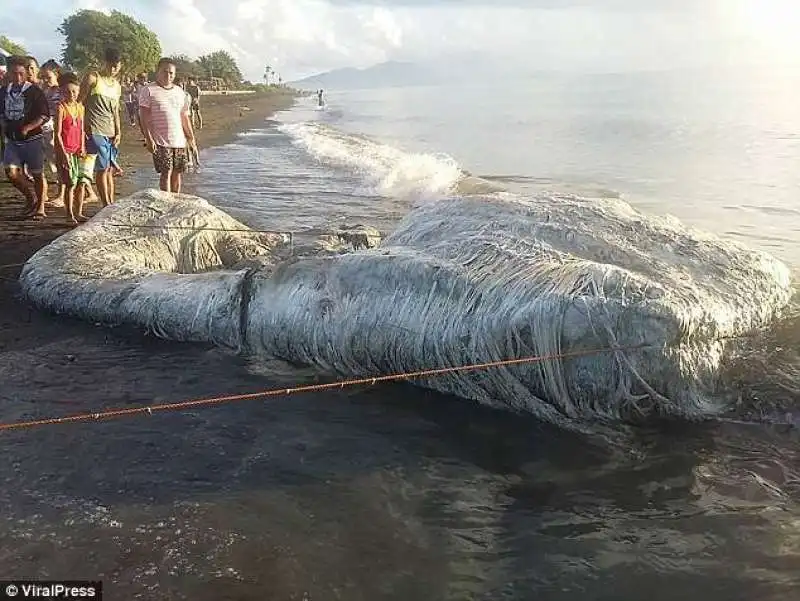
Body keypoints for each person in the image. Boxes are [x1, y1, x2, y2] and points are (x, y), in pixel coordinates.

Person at [0, 55, 50, 220]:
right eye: (14, 74)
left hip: (32, 139)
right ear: (8, 74)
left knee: (37, 174)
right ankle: (30, 198)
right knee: (11, 173)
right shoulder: (3, 92)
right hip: (12, 140)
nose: (18, 77)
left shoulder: (34, 91)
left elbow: (44, 115)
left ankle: (41, 207)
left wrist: (29, 127)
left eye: (21, 73)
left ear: (26, 73)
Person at [138, 57, 196, 193]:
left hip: (179, 140)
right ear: (157, 71)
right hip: (160, 140)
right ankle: (166, 201)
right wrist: (148, 138)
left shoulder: (180, 93)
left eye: (171, 73)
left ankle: (175, 200)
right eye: (165, 72)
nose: (168, 75)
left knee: (178, 172)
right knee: (166, 172)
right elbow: (143, 117)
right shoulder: (148, 90)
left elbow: (184, 117)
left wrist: (191, 138)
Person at [79, 46, 122, 207]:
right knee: (102, 168)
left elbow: (116, 111)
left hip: (110, 131)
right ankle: (106, 205)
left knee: (110, 169)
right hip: (94, 129)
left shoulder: (117, 86)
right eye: (111, 65)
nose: (113, 69)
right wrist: (82, 127)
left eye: (116, 66)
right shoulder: (93, 78)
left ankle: (111, 203)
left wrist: (118, 132)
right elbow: (79, 103)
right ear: (105, 63)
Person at [54, 72, 87, 224]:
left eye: (74, 91)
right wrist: (63, 154)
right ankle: (69, 215)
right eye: (67, 92)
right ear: (62, 92)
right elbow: (58, 134)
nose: (71, 94)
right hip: (65, 151)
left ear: (79, 91)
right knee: (69, 183)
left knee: (81, 182)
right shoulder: (61, 108)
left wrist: (82, 146)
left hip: (77, 150)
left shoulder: (80, 108)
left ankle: (79, 212)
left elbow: (81, 130)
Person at [39, 59, 64, 206]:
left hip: (57, 130)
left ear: (57, 74)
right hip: (45, 129)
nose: (45, 80)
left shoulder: (62, 91)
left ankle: (61, 195)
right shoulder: (45, 91)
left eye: (48, 77)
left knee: (59, 162)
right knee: (52, 162)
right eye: (43, 77)